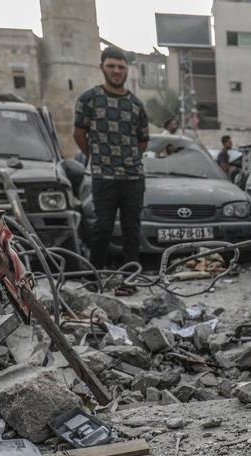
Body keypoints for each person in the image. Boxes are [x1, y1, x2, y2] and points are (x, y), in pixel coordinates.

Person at [73, 46, 149, 294]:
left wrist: (127, 159)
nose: (117, 71)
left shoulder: (136, 105)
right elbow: (79, 134)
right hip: (103, 176)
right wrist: (97, 157)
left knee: (131, 228)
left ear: (127, 70)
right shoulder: (89, 99)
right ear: (102, 67)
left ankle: (129, 281)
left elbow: (142, 142)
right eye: (112, 66)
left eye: (121, 67)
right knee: (102, 227)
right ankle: (95, 279)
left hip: (133, 177)